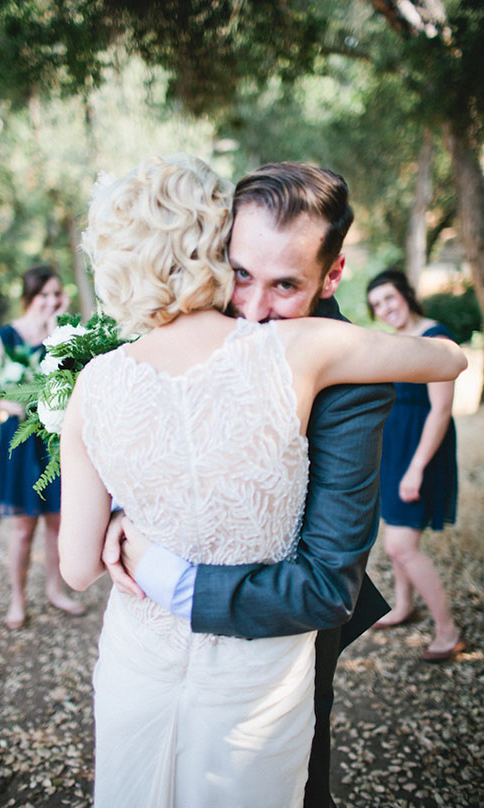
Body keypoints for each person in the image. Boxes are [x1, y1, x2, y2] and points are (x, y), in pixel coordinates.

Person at [57, 154, 466, 808]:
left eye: (284, 286)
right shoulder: (238, 346)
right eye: (239, 274)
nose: (251, 307)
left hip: (278, 646)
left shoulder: (340, 366)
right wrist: (120, 513)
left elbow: (327, 584)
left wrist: (160, 570)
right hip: (172, 663)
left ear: (332, 275)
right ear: (217, 249)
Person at [366, 268, 465, 662]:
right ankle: (404, 606)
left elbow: (440, 411)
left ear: (405, 294)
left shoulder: (436, 337)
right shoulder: (392, 341)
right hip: (394, 448)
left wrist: (416, 467)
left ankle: (448, 630)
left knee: (401, 545)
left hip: (421, 448)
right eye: (376, 304)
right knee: (397, 540)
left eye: (389, 298)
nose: (384, 308)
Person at [0, 265, 84, 630]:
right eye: (44, 294)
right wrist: (25, 403)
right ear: (29, 296)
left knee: (57, 523)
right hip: (21, 439)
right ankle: (17, 598)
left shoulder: (64, 334)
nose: (51, 300)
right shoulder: (4, 336)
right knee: (23, 528)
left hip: (53, 437)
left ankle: (55, 590)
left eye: (56, 293)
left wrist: (56, 335)